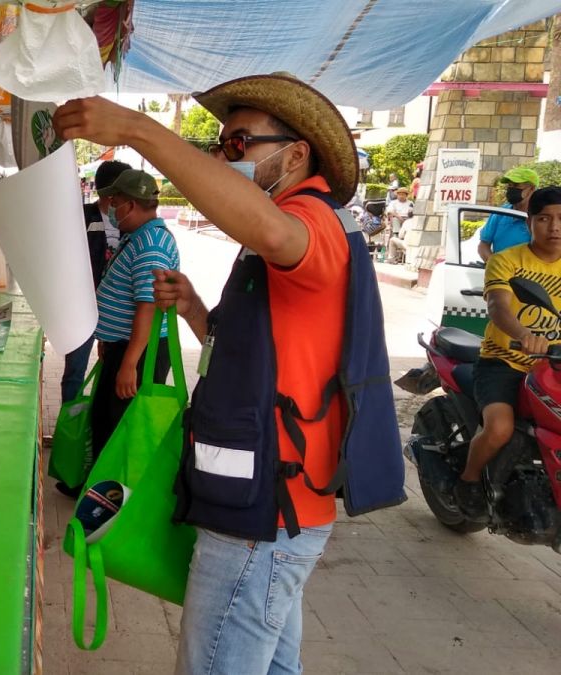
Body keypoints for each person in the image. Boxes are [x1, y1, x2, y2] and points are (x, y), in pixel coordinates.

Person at [55, 72, 401, 674]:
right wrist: (193, 309)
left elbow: (270, 231)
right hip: (266, 510)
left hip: (262, 516)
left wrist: (138, 130)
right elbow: (255, 353)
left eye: (238, 143)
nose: (222, 156)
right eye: (220, 144)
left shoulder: (309, 221)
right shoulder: (277, 235)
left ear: (296, 154)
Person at [454, 186, 561, 518]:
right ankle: (468, 482)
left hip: (553, 367)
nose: (554, 227)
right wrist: (523, 334)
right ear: (529, 222)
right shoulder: (506, 260)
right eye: (544, 219)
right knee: (499, 428)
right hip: (504, 361)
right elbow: (498, 306)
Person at [88, 169, 179, 467]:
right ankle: (97, 489)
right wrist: (108, 340)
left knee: (121, 426)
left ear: (130, 205)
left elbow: (148, 306)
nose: (112, 208)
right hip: (123, 346)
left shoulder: (150, 242)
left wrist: (128, 364)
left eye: (115, 202)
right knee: (103, 419)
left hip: (138, 351)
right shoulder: (139, 236)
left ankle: (114, 501)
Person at [60, 160, 130, 405]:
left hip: (116, 308)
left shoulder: (129, 221)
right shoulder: (81, 217)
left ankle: (100, 420)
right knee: (75, 371)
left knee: (111, 369)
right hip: (82, 307)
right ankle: (69, 424)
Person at [478, 167, 539, 261]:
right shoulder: (500, 213)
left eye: (516, 185)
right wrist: (496, 267)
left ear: (531, 189)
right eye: (509, 186)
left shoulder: (539, 217)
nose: (511, 190)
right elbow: (483, 246)